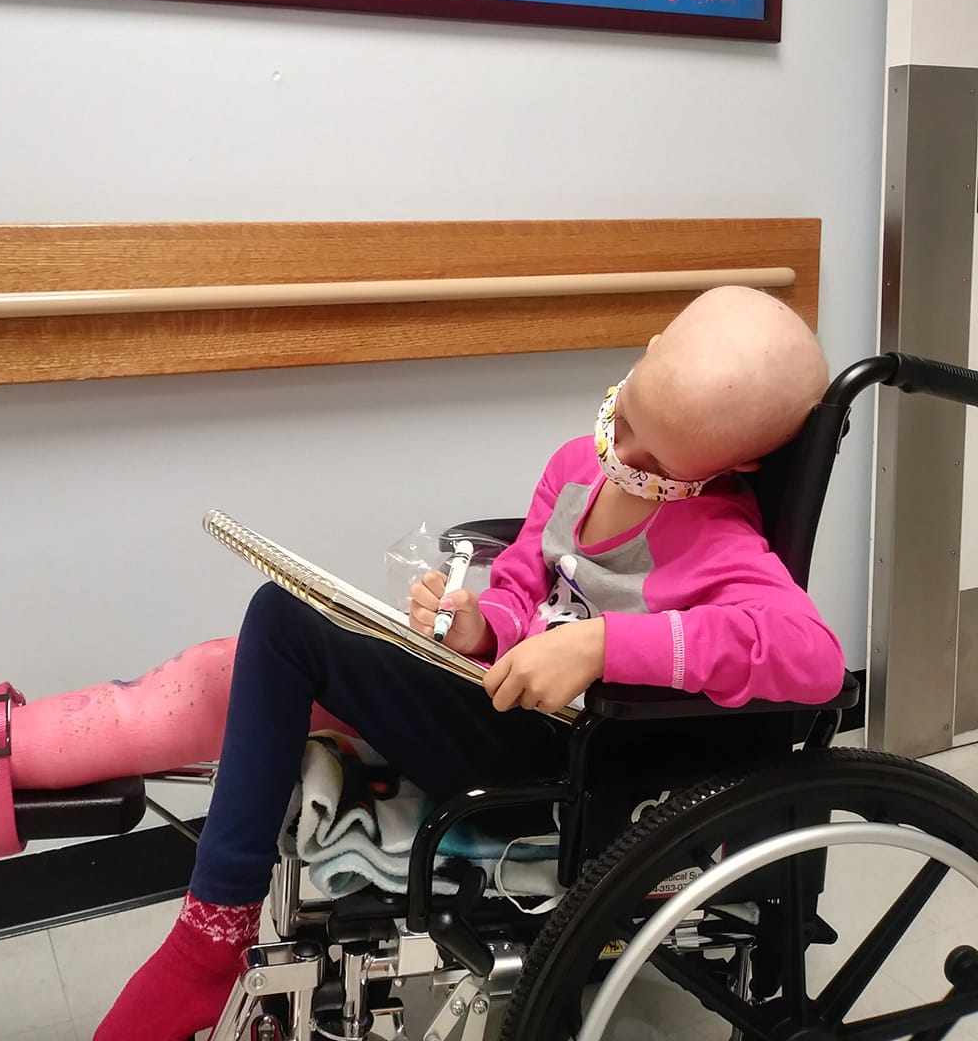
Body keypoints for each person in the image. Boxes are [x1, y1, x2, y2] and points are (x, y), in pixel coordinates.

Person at [82, 285, 845, 1040]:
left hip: (574, 771)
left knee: (283, 626)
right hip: (502, 708)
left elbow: (814, 661)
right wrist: (478, 625)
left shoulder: (719, 540)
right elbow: (520, 589)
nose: (628, 456)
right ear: (646, 354)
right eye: (632, 418)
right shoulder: (577, 467)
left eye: (658, 457)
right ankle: (211, 931)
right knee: (285, 618)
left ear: (734, 462)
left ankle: (201, 955)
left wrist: (604, 645)